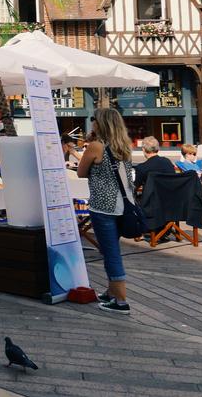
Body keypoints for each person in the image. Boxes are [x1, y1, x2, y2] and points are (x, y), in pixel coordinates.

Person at [77, 107, 136, 314]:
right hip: (124, 205)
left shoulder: (96, 146)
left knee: (111, 253)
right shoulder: (124, 146)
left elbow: (81, 172)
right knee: (110, 249)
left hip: (104, 206)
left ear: (101, 123)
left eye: (94, 119)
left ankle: (120, 301)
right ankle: (111, 292)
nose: (91, 121)